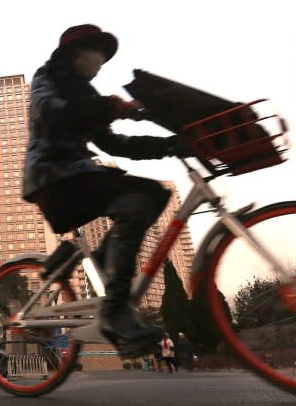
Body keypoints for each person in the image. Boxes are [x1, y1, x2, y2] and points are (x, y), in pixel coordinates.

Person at [23, 24, 185, 356]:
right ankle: (114, 311)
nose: (101, 64)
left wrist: (172, 145)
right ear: (78, 52)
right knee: (140, 197)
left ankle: (84, 261)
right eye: (99, 55)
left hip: (77, 175)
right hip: (52, 179)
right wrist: (110, 107)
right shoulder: (48, 77)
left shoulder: (87, 95)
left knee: (154, 195)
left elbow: (114, 143)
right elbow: (53, 113)